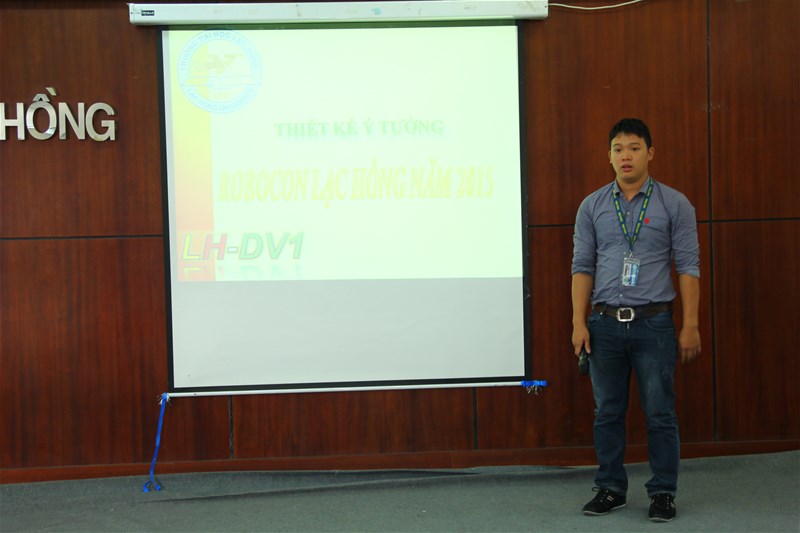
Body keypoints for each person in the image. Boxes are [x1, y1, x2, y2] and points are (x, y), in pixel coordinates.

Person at [571, 118, 701, 523]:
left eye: (634, 147)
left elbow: (689, 266)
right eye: (618, 149)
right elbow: (582, 266)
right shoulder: (592, 206)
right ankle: (611, 488)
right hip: (603, 323)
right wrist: (578, 322)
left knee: (660, 413)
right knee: (607, 412)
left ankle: (663, 493)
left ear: (650, 153)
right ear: (608, 156)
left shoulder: (675, 204)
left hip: (654, 324)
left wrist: (691, 324)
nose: (625, 155)